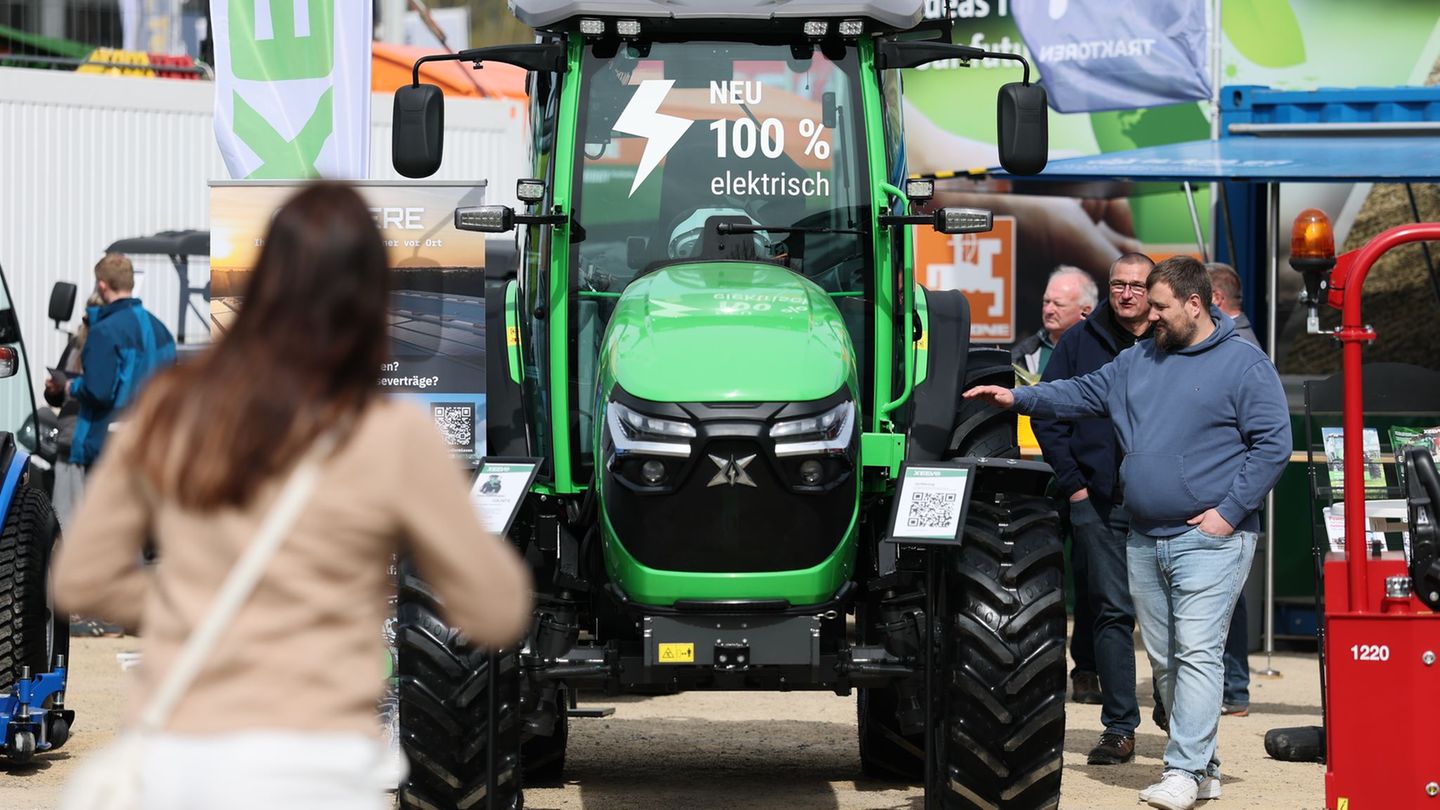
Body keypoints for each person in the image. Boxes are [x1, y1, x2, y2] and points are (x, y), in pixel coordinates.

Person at [53, 182, 534, 810]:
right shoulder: (391, 434)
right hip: (317, 763)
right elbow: (497, 608)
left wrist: (194, 605)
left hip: (179, 755)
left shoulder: (174, 410)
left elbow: (80, 581)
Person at [964, 256, 1291, 810]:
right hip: (1144, 535)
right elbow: (1080, 393)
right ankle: (1204, 766)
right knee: (1166, 660)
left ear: (1196, 304)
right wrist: (1018, 397)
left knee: (1197, 654)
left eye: (1160, 306)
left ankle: (1183, 769)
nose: (1149, 315)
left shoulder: (1244, 365)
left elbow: (1274, 444)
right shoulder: (1139, 358)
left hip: (1210, 539)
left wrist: (1228, 513)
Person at [1030, 253, 1155, 763]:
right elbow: (1049, 410)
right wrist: (1076, 487)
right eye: (1118, 285)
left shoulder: (1173, 340)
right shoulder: (1079, 343)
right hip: (1099, 502)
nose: (1126, 294)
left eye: (1137, 286)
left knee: (1169, 614)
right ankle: (1120, 726)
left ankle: (1174, 710)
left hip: (1167, 502)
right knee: (1110, 612)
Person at [48, 253, 176, 470]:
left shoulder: (104, 332)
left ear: (102, 285)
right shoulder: (162, 331)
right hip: (150, 447)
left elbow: (99, 391)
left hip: (106, 450)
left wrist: (71, 386)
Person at [1207, 261, 1259, 718]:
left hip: (1228, 493)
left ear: (1216, 301)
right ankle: (1232, 686)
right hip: (1231, 491)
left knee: (1228, 594)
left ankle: (1234, 687)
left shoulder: (1238, 347)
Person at [42, 292, 103, 523]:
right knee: (64, 520)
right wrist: (53, 390)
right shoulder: (75, 346)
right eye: (86, 318)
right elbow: (55, 398)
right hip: (68, 442)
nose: (87, 323)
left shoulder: (115, 349)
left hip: (97, 447)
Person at [1011, 266, 1097, 377]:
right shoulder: (1022, 354)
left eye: (1058, 304)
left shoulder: (1102, 353)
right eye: (1046, 301)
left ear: (1085, 311)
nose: (1048, 310)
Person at [1207, 262, 1259, 347]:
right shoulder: (1235, 337)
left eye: (1199, 295)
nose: (1194, 304)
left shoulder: (1236, 342)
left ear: (1217, 298)